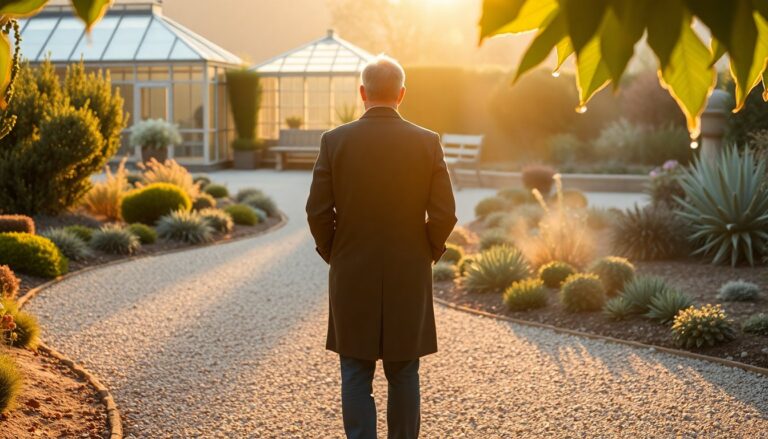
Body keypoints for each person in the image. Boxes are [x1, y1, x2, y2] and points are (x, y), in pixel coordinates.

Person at [306, 54, 457, 439]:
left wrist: (334, 253)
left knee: (356, 370)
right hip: (409, 271)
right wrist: (426, 251)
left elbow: (317, 211)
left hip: (351, 270)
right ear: (402, 94)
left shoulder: (334, 141)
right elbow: (444, 214)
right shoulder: (428, 142)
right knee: (404, 371)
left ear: (362, 93)